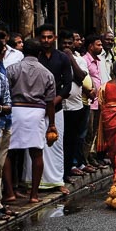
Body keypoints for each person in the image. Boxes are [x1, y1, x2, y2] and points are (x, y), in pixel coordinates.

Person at [6, 38, 56, 204]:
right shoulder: (47, 73)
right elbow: (50, 102)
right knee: (37, 153)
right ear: (40, 53)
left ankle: (10, 192)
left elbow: (6, 93)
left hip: (16, 110)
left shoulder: (12, 69)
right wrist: (52, 124)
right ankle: (34, 195)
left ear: (23, 52)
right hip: (37, 112)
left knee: (9, 152)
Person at [32, 24, 72, 193]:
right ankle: (33, 182)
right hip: (36, 108)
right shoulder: (35, 58)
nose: (46, 40)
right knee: (35, 145)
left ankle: (57, 181)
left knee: (55, 144)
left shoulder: (62, 57)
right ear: (38, 38)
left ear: (55, 38)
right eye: (43, 37)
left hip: (55, 108)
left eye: (50, 37)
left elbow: (67, 84)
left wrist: (53, 102)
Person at [60, 31, 93, 181]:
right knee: (60, 140)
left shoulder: (79, 59)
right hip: (60, 106)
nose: (66, 46)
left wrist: (70, 58)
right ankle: (62, 170)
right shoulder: (55, 58)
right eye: (64, 43)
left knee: (73, 139)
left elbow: (80, 77)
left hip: (75, 105)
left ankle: (70, 168)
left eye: (69, 43)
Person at [82, 34, 106, 170]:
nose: (101, 47)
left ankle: (90, 157)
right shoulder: (84, 60)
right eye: (98, 45)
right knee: (88, 132)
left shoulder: (98, 61)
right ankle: (83, 161)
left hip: (98, 101)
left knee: (95, 132)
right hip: (89, 102)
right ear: (91, 46)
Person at [0, 41, 15, 221]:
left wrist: (3, 108)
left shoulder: (1, 73)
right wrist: (3, 108)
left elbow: (7, 102)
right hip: (0, 124)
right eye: (2, 51)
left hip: (3, 125)